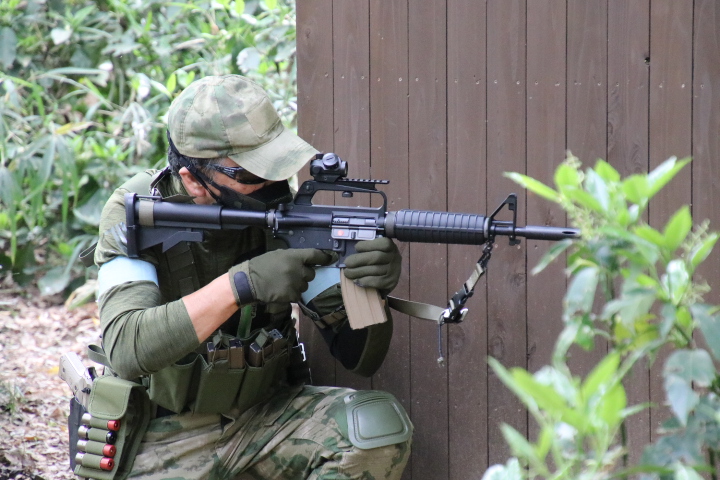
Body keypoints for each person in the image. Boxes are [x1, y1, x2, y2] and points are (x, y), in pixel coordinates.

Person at [90, 74, 412, 480]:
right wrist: (240, 285)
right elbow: (126, 346)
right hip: (161, 431)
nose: (271, 186)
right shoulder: (138, 212)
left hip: (265, 418)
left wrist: (367, 289)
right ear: (193, 179)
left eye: (275, 166)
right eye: (251, 174)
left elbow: (360, 357)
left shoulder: (281, 214)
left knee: (374, 430)